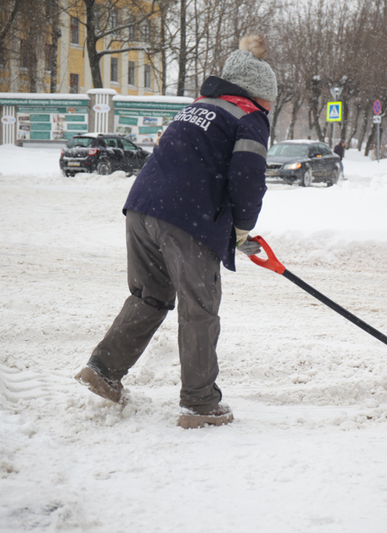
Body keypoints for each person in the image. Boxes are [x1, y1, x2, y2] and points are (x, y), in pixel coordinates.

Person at [74, 35, 277, 429]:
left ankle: (103, 371)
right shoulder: (248, 117)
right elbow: (247, 179)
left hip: (141, 207)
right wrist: (242, 226)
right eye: (268, 101)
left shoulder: (196, 108)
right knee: (199, 309)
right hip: (188, 218)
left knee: (149, 296)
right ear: (257, 93)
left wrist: (231, 229)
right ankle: (200, 404)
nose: (269, 108)